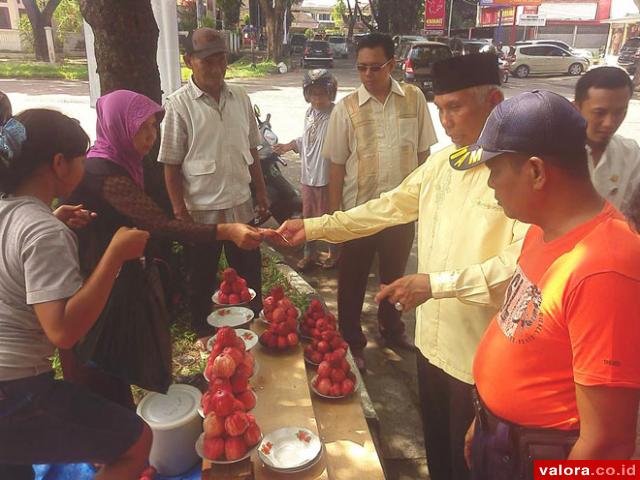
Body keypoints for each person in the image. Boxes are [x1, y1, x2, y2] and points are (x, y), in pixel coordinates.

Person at [278, 53, 527, 480]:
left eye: (457, 107)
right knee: (438, 456)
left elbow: (515, 271)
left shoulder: (518, 173)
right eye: (440, 109)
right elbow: (384, 208)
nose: (446, 121)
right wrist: (315, 225)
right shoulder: (441, 166)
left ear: (495, 101)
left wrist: (436, 285)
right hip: (430, 348)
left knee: (472, 463)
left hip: (480, 361)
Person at [461, 91, 640, 479]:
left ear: (537, 172)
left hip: (543, 461)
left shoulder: (606, 267)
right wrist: (487, 418)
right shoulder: (542, 232)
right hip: (504, 440)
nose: (490, 184)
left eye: (495, 170)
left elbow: (607, 442)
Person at [61, 89, 264, 408]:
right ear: (118, 126)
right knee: (104, 369)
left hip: (113, 277)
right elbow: (161, 224)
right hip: (97, 285)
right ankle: (121, 429)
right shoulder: (104, 173)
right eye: (142, 127)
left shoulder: (120, 163)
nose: (151, 136)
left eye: (154, 127)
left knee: (119, 359)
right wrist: (226, 230)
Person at [0, 109, 152, 480]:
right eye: (82, 157)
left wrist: (52, 220)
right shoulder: (42, 231)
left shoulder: (11, 211)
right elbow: (63, 331)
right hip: (16, 390)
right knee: (137, 443)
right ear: (58, 163)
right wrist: (115, 255)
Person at [320, 32, 438, 368]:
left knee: (395, 277)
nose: (368, 75)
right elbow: (337, 167)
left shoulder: (413, 99)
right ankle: (351, 340)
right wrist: (334, 220)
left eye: (375, 68)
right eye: (361, 68)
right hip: (358, 214)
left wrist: (423, 204)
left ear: (392, 64)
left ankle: (391, 328)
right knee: (352, 280)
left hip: (399, 215)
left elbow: (423, 154)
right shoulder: (346, 108)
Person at [158, 28, 269, 333]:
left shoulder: (241, 97)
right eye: (207, 60)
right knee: (201, 278)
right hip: (200, 214)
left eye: (221, 59)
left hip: (241, 206)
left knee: (249, 276)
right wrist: (180, 214)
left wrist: (261, 193)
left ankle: (251, 328)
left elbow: (252, 150)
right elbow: (170, 165)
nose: (216, 67)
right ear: (188, 60)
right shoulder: (179, 105)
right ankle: (203, 334)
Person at [273, 69, 339, 271]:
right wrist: (289, 145)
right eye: (313, 94)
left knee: (328, 218)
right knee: (309, 218)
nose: (317, 99)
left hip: (326, 177)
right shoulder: (309, 113)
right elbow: (306, 140)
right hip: (308, 176)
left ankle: (334, 253)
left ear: (331, 93)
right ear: (307, 95)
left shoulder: (336, 115)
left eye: (322, 94)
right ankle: (309, 254)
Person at [574, 66, 640, 217]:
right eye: (600, 113)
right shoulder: (555, 152)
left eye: (619, 112)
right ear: (577, 108)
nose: (609, 123)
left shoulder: (631, 153)